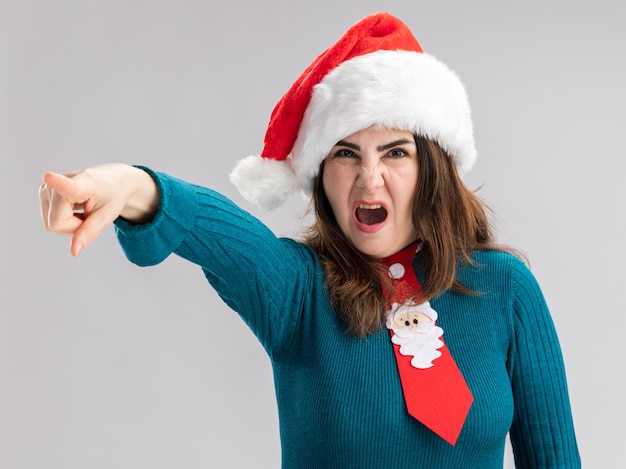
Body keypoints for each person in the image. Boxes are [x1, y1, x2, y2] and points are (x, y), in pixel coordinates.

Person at [39, 11, 580, 468]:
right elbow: (213, 230)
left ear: (431, 169)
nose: (370, 178)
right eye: (346, 153)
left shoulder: (506, 290)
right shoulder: (299, 291)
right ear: (321, 174)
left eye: (395, 152)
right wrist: (132, 186)